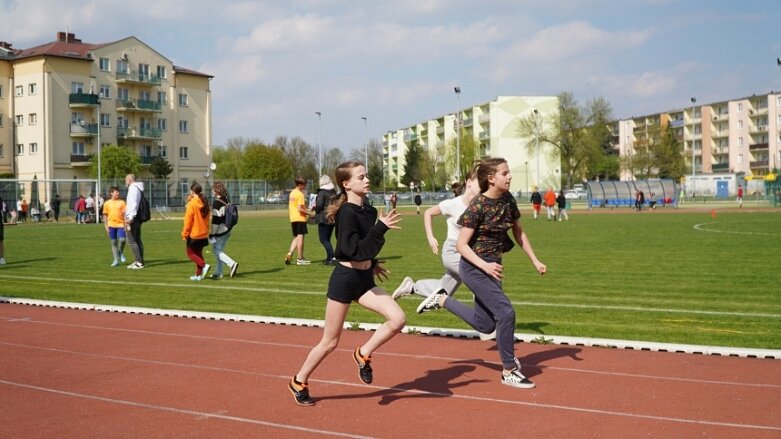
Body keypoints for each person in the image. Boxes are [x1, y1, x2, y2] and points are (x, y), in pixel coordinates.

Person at [416, 157, 547, 389]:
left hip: (492, 266)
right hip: (474, 266)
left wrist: (535, 260)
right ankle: (509, 370)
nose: (510, 177)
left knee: (485, 325)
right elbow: (461, 246)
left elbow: (519, 233)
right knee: (506, 312)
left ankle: (442, 299)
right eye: (505, 173)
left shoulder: (508, 200)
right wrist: (484, 266)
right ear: (491, 178)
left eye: (509, 173)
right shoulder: (478, 206)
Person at [289, 160, 404, 406]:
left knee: (398, 319)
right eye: (361, 177)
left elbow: (365, 248)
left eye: (367, 175)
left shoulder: (369, 211)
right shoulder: (347, 212)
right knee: (330, 341)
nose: (367, 180)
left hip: (364, 278)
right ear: (347, 184)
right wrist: (380, 229)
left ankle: (363, 354)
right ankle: (299, 380)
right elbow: (350, 249)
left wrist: (372, 264)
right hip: (345, 280)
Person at [392, 171, 479, 301]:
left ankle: (411, 287)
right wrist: (430, 237)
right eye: (481, 182)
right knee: (477, 277)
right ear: (469, 182)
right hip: (452, 251)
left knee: (443, 292)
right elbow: (428, 213)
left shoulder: (479, 206)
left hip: (467, 251)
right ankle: (487, 314)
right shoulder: (453, 204)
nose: (485, 186)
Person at [208, 181, 239, 279]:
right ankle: (218, 273)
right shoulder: (226, 199)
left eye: (213, 189)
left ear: (216, 191)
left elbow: (216, 221)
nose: (212, 191)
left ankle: (232, 264)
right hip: (228, 229)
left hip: (221, 230)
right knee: (219, 250)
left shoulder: (217, 203)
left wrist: (212, 234)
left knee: (216, 251)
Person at [182, 182, 211, 281]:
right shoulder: (204, 202)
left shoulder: (192, 204)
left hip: (194, 235)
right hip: (203, 234)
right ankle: (198, 275)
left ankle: (204, 266)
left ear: (192, 191)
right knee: (198, 254)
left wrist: (184, 234)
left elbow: (188, 221)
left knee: (190, 253)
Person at [284, 176, 311, 266]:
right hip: (300, 218)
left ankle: (289, 253)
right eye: (304, 185)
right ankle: (300, 259)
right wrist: (309, 213)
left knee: (296, 237)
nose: (305, 187)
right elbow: (300, 208)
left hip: (293, 218)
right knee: (300, 238)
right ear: (299, 184)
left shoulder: (292, 193)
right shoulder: (300, 194)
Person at [314, 175, 338, 265]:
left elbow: (320, 206)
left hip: (324, 218)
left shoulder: (321, 193)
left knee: (323, 239)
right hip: (332, 217)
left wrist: (315, 209)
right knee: (327, 238)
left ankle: (332, 257)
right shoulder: (333, 192)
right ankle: (329, 258)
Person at [124, 174, 146, 269]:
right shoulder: (138, 188)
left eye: (126, 180)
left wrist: (130, 217)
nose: (125, 182)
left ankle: (139, 261)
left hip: (133, 217)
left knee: (131, 240)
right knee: (137, 239)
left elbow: (133, 204)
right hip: (137, 217)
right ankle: (139, 260)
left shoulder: (133, 189)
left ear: (129, 180)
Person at [102, 186, 127, 267]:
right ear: (111, 193)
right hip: (111, 225)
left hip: (121, 224)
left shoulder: (122, 202)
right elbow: (105, 216)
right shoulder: (107, 203)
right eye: (116, 192)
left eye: (118, 192)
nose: (118, 193)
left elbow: (125, 214)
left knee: (122, 240)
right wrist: (105, 226)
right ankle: (116, 260)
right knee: (113, 242)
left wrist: (126, 224)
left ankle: (120, 252)